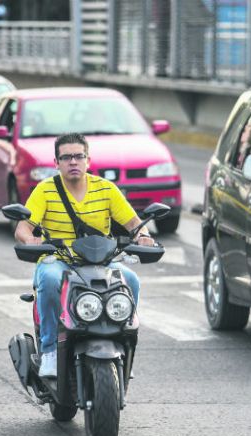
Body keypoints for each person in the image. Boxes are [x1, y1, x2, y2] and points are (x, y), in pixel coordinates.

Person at [14, 133, 156, 378]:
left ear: (88, 160)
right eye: (66, 157)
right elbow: (23, 228)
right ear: (56, 162)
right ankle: (49, 352)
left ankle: (124, 344)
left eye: (78, 156)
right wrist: (31, 239)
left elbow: (134, 223)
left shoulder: (106, 189)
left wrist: (143, 236)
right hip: (58, 259)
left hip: (101, 260)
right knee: (48, 280)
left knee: (131, 280)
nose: (73, 162)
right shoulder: (45, 190)